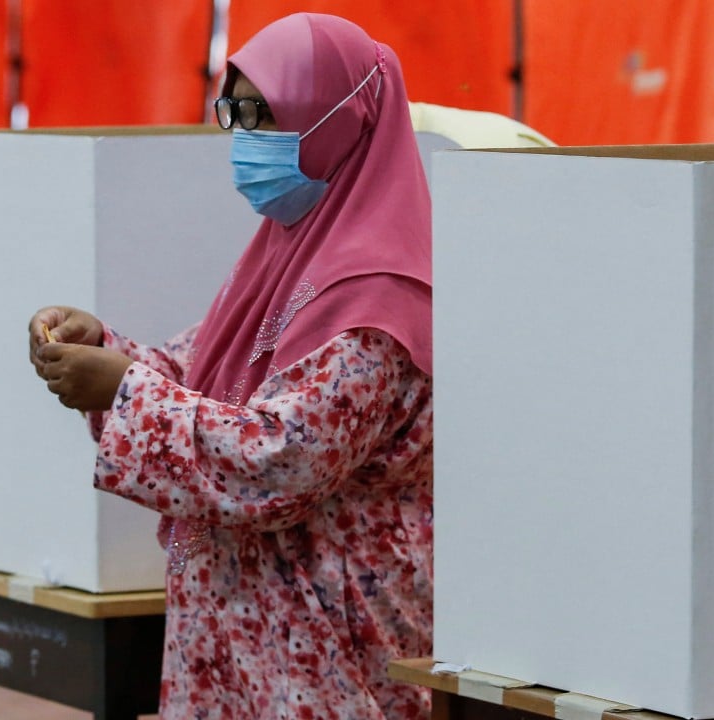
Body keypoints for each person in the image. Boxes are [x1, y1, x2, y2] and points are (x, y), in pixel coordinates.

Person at [27, 13, 433, 720]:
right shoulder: (288, 254)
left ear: (343, 120)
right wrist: (109, 349)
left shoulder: (376, 297)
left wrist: (123, 390)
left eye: (266, 115)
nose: (246, 139)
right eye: (236, 114)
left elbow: (284, 458)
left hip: (330, 639)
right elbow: (205, 376)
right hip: (247, 631)